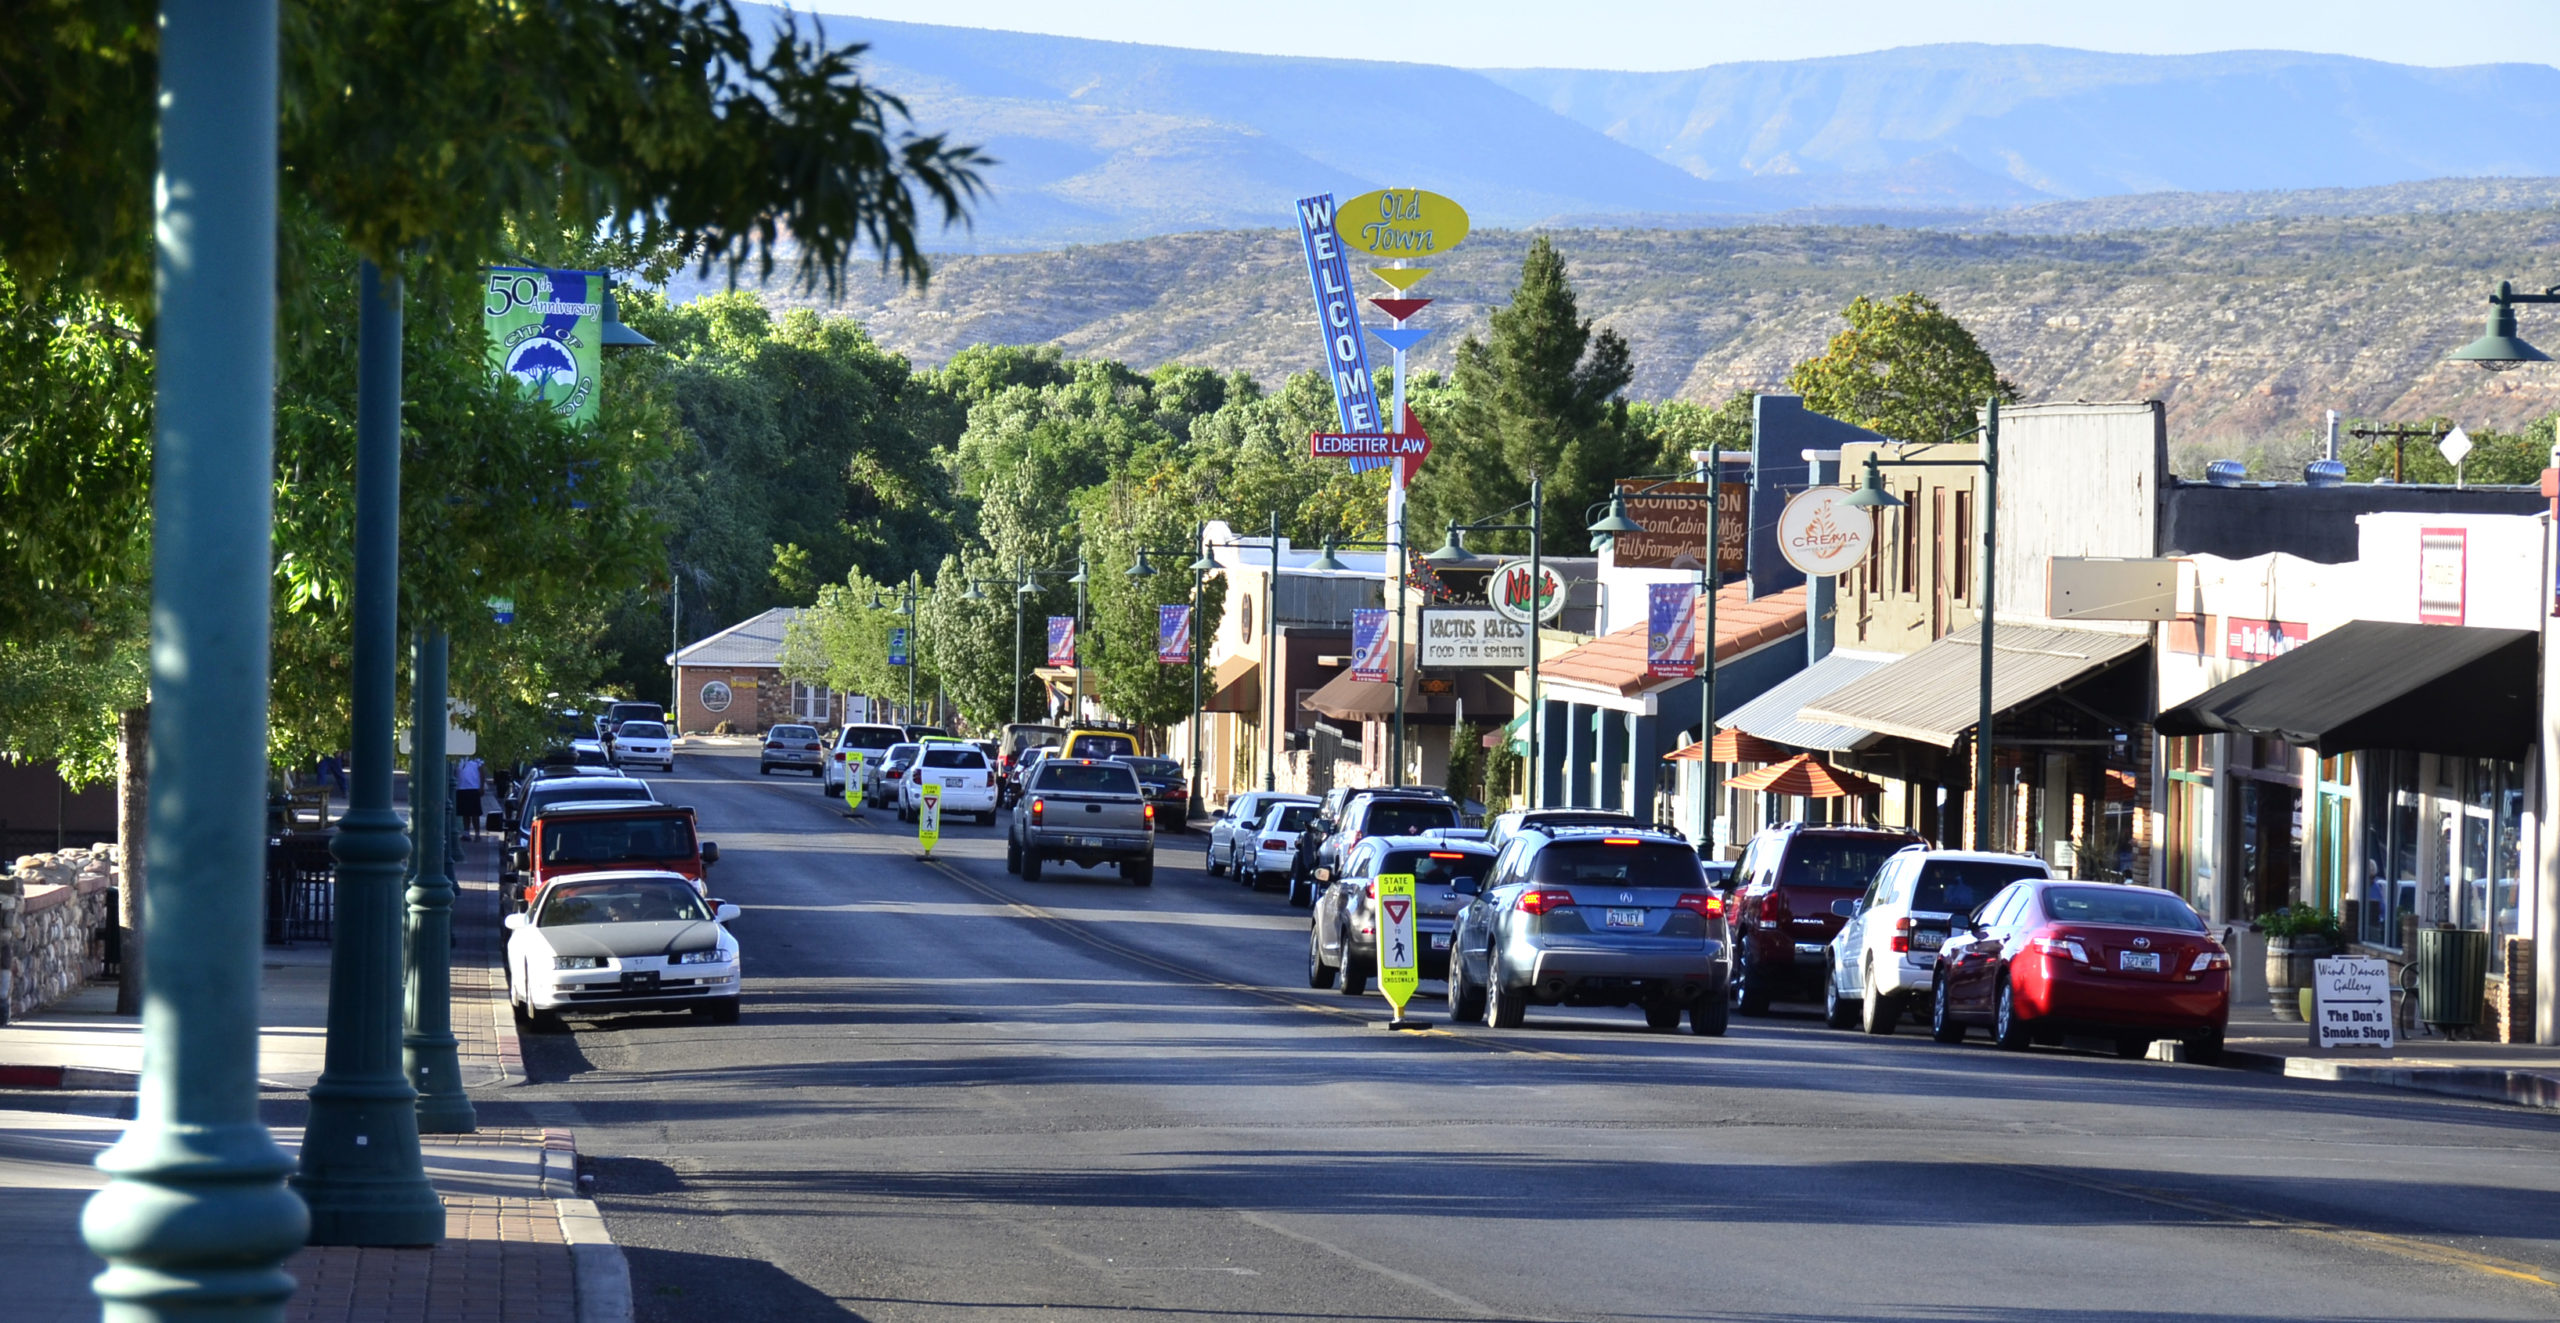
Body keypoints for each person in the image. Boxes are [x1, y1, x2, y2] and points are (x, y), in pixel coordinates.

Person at [455, 755, 485, 836]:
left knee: (475, 813)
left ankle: (477, 834)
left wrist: (481, 786)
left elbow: (481, 771)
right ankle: (466, 833)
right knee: (465, 813)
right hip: (461, 788)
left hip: (473, 788)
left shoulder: (476, 757)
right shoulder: (457, 757)